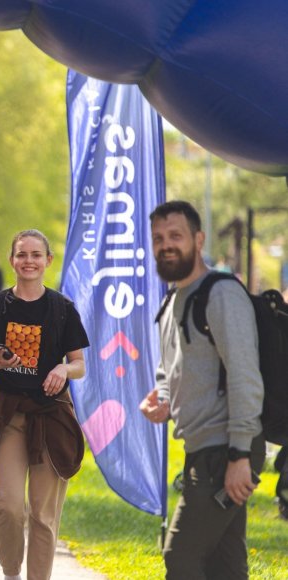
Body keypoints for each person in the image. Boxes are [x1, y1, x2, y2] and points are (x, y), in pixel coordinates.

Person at [140, 200, 265, 579]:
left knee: (180, 556)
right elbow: (170, 368)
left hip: (227, 448)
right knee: (225, 566)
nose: (166, 245)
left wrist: (240, 454)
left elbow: (245, 374)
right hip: (201, 450)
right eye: (159, 238)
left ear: (198, 239)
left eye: (175, 236)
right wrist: (163, 399)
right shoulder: (172, 301)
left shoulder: (221, 294)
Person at [0, 229, 89, 580]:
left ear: (47, 261)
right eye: (22, 254)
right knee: (8, 506)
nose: (29, 261)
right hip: (8, 415)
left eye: (36, 255)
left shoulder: (62, 308)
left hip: (51, 416)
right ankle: (11, 572)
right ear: (12, 260)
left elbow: (80, 365)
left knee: (43, 515)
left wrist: (62, 368)